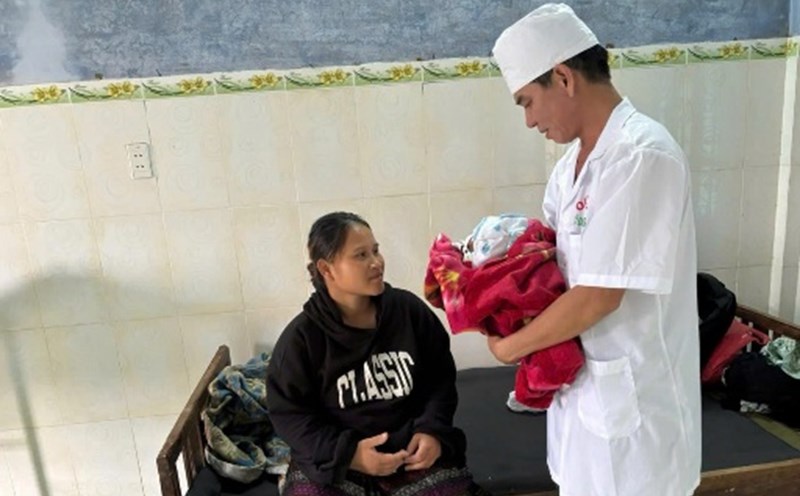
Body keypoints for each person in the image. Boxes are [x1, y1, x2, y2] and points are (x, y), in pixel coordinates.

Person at [486, 4, 701, 496]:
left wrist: (509, 349)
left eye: (525, 102)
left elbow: (599, 296)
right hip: (584, 411)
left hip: (639, 429)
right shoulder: (569, 171)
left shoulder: (641, 155)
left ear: (562, 78)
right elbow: (552, 272)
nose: (528, 120)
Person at [266, 212, 487, 496]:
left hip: (409, 454)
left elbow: (439, 379)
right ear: (327, 269)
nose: (376, 262)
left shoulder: (408, 313)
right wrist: (351, 455)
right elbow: (290, 415)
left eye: (376, 250)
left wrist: (431, 430)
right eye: (360, 255)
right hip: (338, 462)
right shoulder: (302, 339)